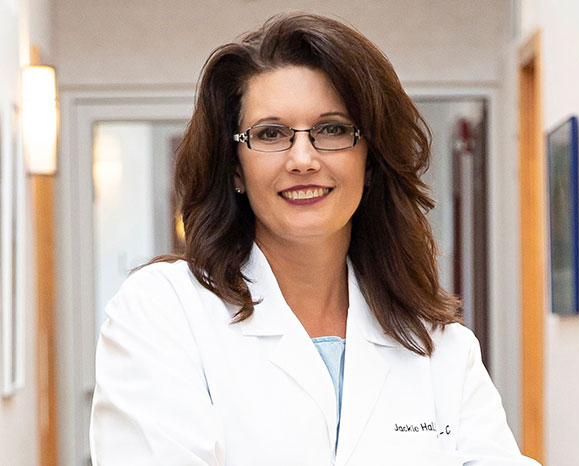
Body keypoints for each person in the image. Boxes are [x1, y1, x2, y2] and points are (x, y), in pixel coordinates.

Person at [89, 12, 541, 466]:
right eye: (270, 134)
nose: (302, 159)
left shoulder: (438, 343)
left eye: (332, 129)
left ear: (370, 161)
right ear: (235, 168)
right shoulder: (165, 310)